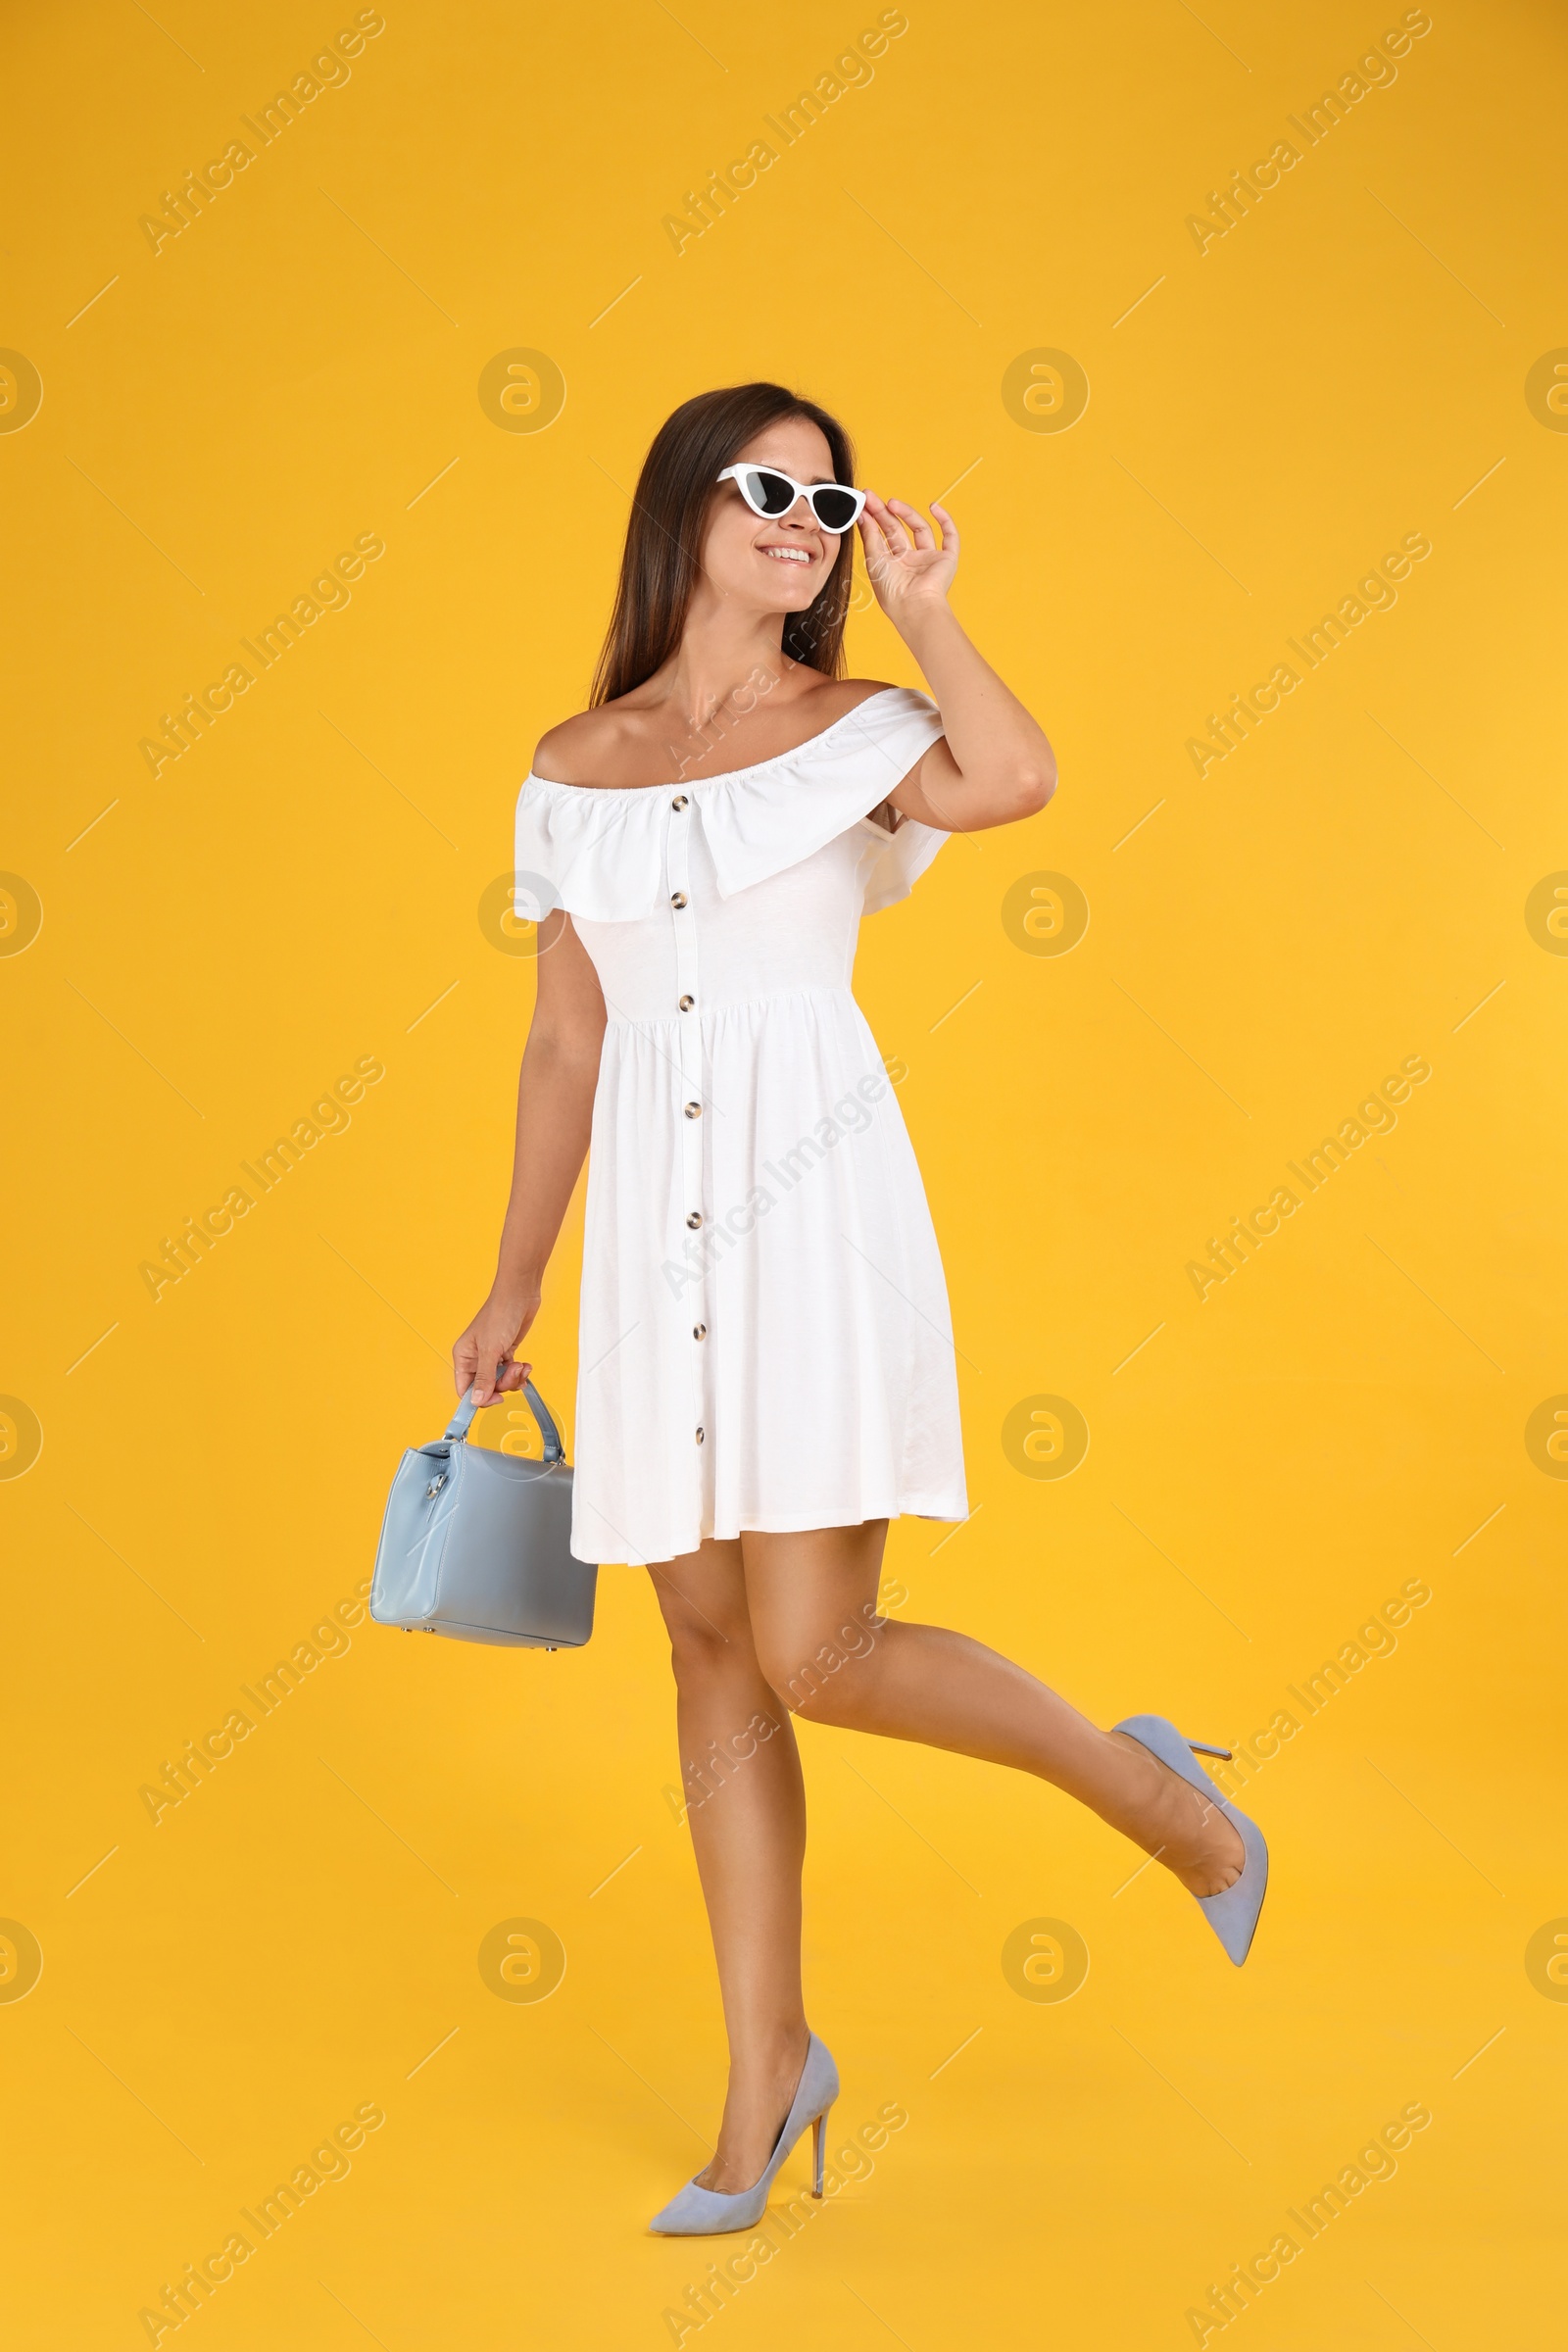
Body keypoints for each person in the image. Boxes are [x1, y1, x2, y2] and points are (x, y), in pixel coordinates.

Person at [453, 380, 1267, 2236]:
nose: (805, 522)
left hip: (810, 1208)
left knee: (823, 1646)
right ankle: (765, 2083)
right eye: (770, 489)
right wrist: (512, 1283)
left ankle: (1159, 1803)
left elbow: (1019, 779)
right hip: (650, 1238)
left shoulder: (864, 728)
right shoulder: (574, 763)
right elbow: (566, 1030)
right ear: (684, 506)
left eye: (830, 504)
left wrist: (936, 613)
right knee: (709, 1658)